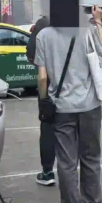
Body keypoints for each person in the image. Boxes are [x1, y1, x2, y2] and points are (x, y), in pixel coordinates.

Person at [33, 0, 102, 203]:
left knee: (66, 162)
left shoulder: (43, 35)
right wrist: (97, 22)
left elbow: (43, 77)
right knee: (90, 157)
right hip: (90, 106)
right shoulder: (85, 29)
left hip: (62, 107)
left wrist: (45, 101)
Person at [26, 15, 56, 186]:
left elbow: (31, 55)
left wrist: (43, 99)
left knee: (48, 130)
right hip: (77, 92)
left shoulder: (43, 24)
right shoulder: (78, 24)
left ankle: (48, 172)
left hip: (51, 90)